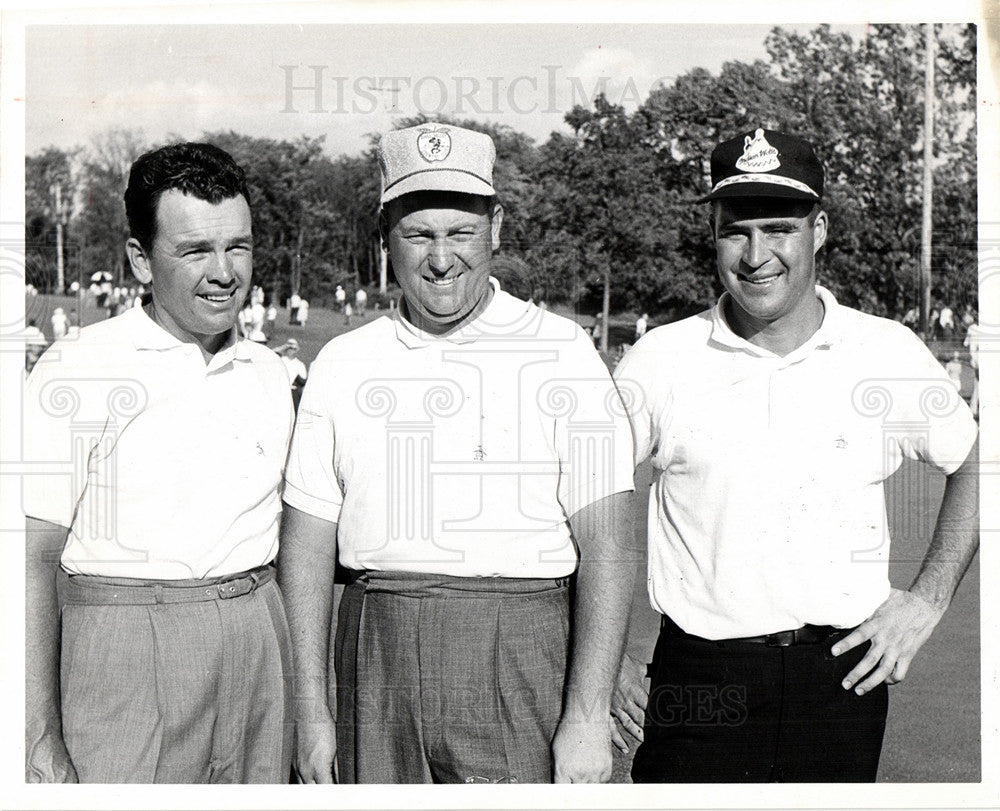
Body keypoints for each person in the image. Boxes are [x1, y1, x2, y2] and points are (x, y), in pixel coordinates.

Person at [613, 128, 979, 783]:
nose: (757, 255)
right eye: (736, 230)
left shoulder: (885, 351)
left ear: (820, 229)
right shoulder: (660, 359)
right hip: (700, 676)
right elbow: (580, 501)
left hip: (840, 675)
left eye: (780, 227)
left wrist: (927, 599)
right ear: (715, 234)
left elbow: (979, 461)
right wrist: (605, 660)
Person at [279, 123, 636, 785]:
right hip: (374, 649)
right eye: (418, 235)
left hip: (517, 649)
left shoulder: (561, 352)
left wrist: (587, 714)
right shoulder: (343, 362)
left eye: (460, 232)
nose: (441, 259)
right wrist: (310, 709)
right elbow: (305, 547)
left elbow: (609, 545)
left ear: (495, 227)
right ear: (385, 236)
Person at [24, 142, 295, 783]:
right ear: (142, 261)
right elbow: (27, 559)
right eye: (195, 250)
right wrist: (37, 736)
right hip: (124, 650)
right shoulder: (81, 366)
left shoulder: (268, 372)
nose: (224, 272)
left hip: (257, 638)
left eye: (239, 246)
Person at [277, 337, 308, 409]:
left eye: (293, 349)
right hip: (280, 390)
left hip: (293, 392)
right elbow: (271, 353)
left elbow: (303, 381)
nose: (291, 351)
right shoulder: (280, 360)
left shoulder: (299, 364)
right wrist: (283, 347)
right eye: (289, 348)